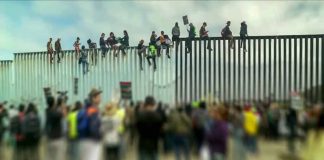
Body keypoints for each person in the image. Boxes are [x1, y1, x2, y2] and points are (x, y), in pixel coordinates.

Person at [136, 96, 164, 160]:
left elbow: (138, 129)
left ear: (145, 105)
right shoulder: (158, 117)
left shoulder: (140, 116)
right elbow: (160, 130)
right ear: (154, 105)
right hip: (154, 144)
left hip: (142, 144)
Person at [78, 88, 102, 160]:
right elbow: (93, 127)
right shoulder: (93, 110)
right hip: (92, 140)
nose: (100, 99)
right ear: (94, 98)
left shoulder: (85, 108)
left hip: (83, 139)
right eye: (99, 97)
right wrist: (98, 137)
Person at [45, 96, 65, 160]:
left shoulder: (47, 111)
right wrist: (62, 105)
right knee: (58, 157)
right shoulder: (56, 114)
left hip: (50, 138)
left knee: (50, 157)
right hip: (57, 139)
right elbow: (63, 114)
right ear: (53, 103)